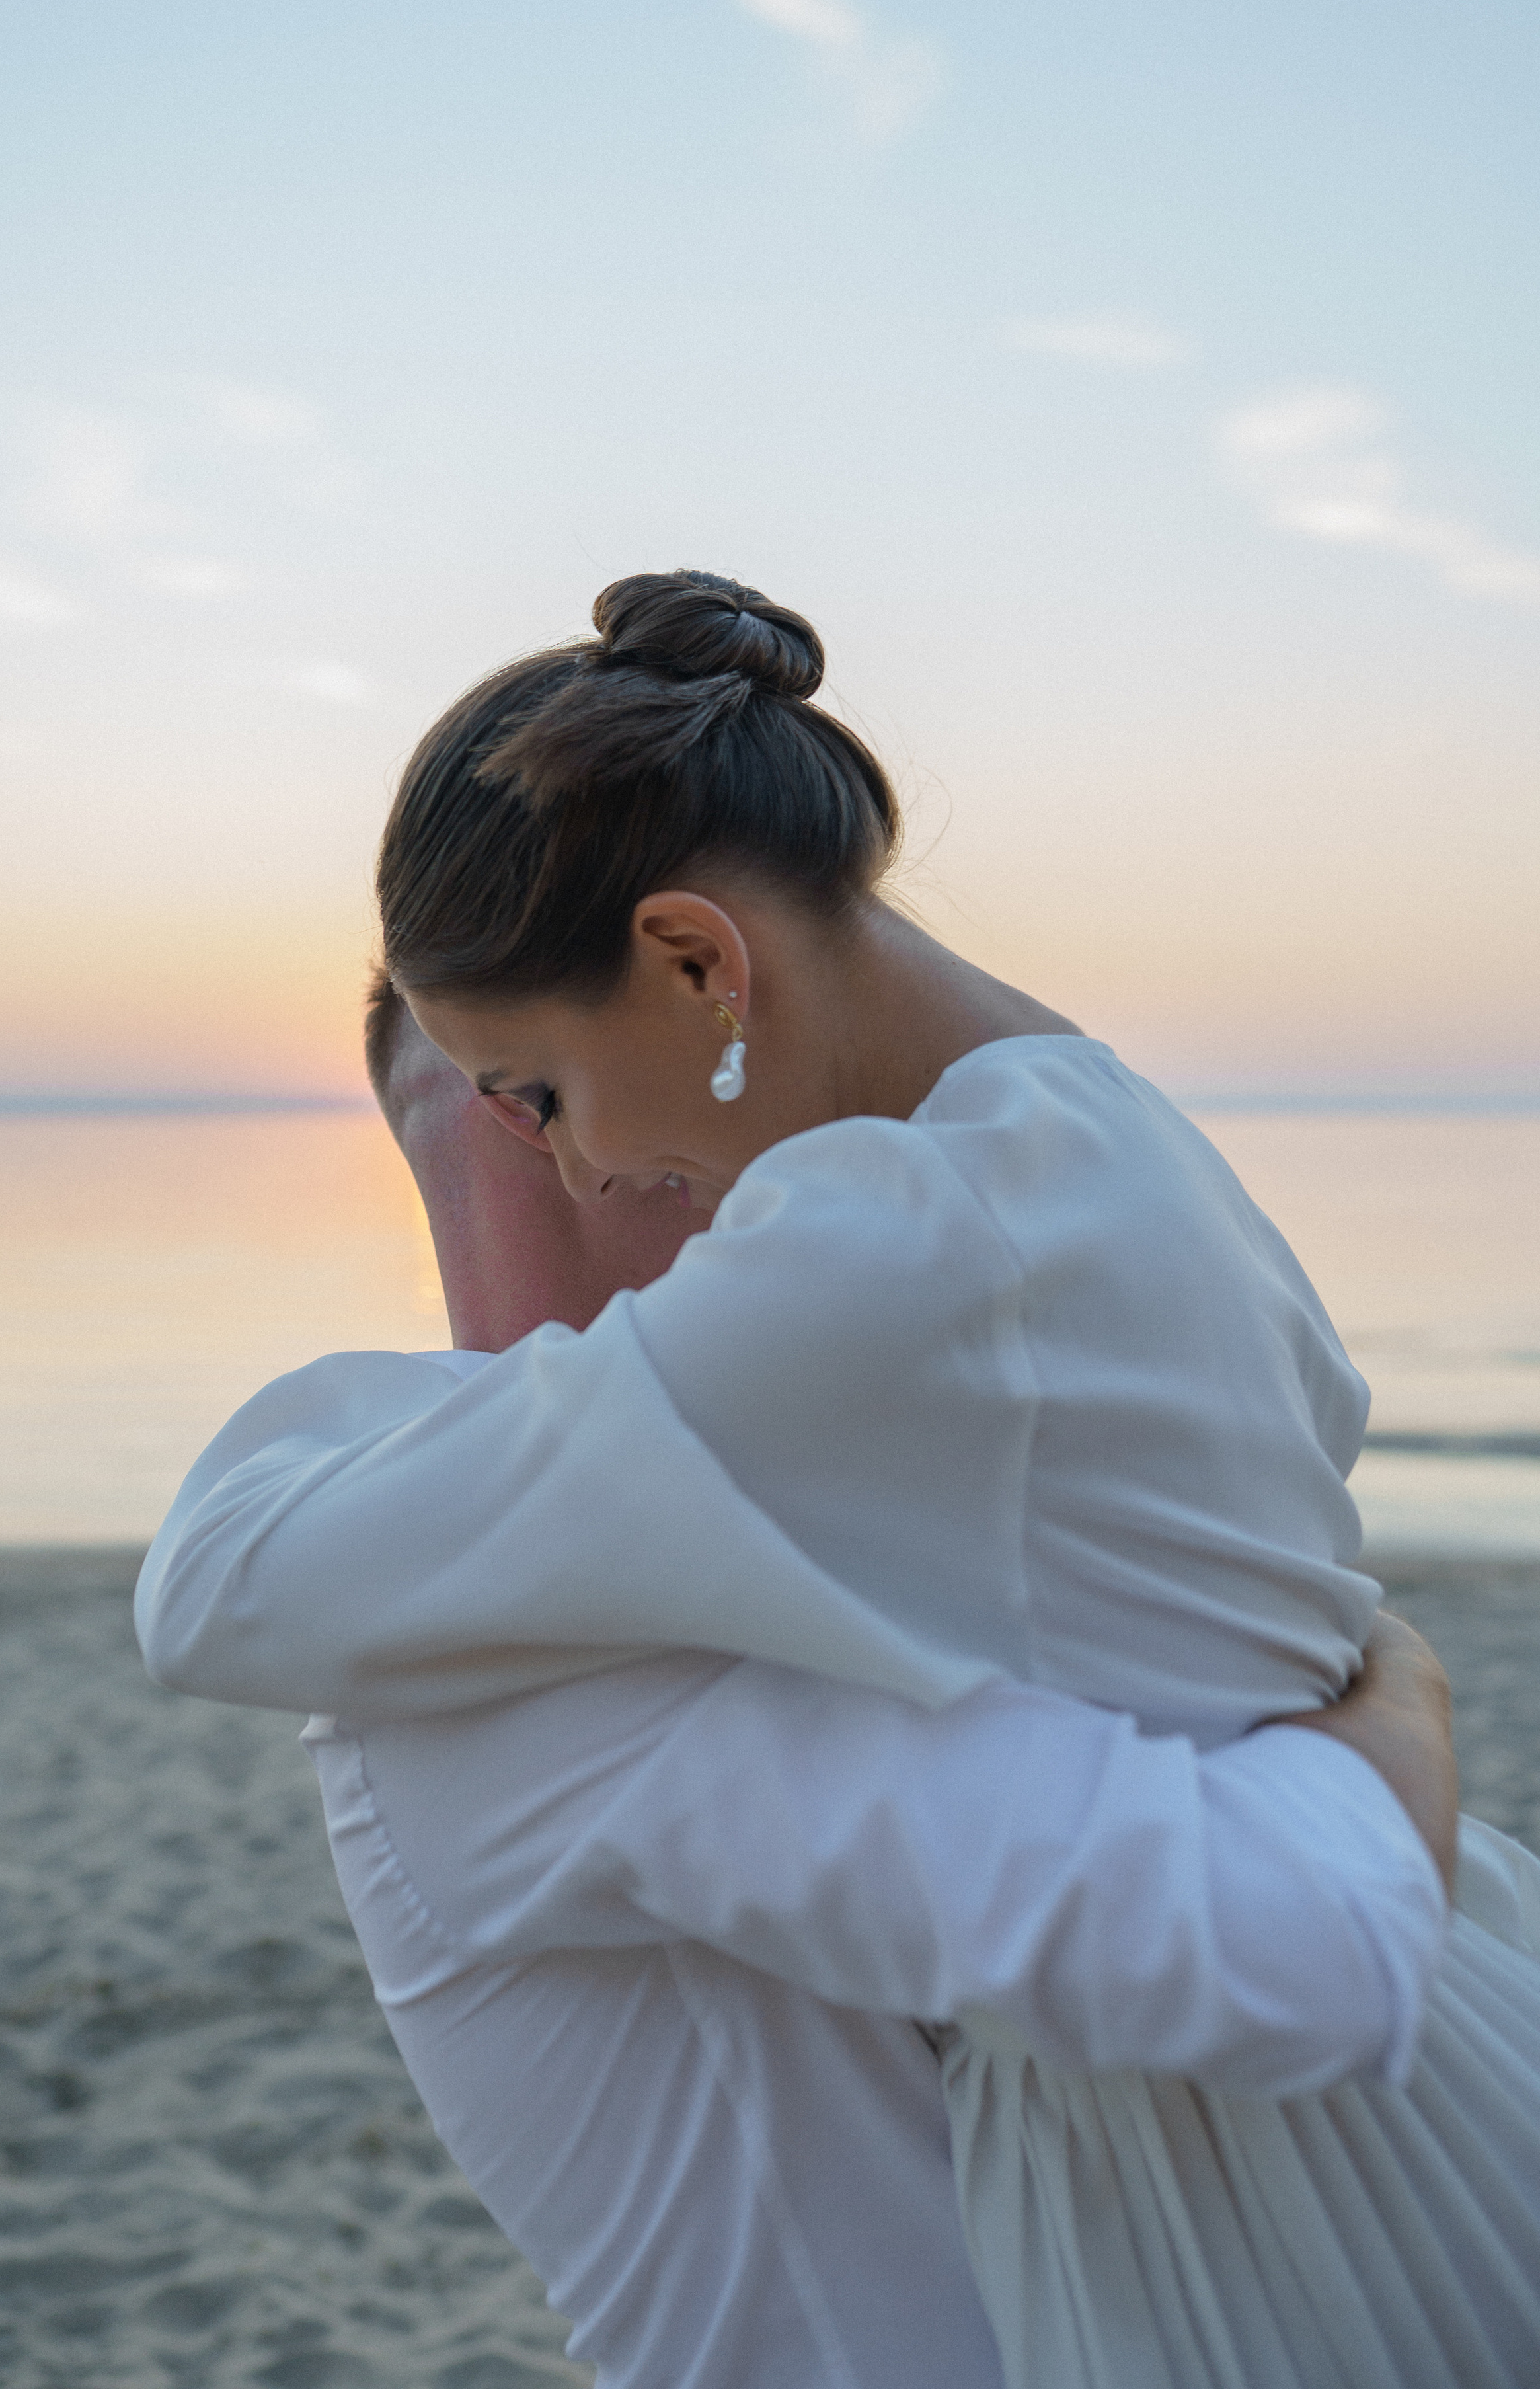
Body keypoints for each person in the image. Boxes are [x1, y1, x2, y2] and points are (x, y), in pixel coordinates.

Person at [139, 570, 1539, 2386]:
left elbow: (224, 1581)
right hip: (1461, 2033)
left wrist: (1390, 1729)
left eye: (543, 1100)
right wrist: (1401, 1698)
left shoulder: (871, 1268)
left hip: (1273, 2209)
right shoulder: (1114, 1140)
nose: (576, 1177)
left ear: (700, 963)